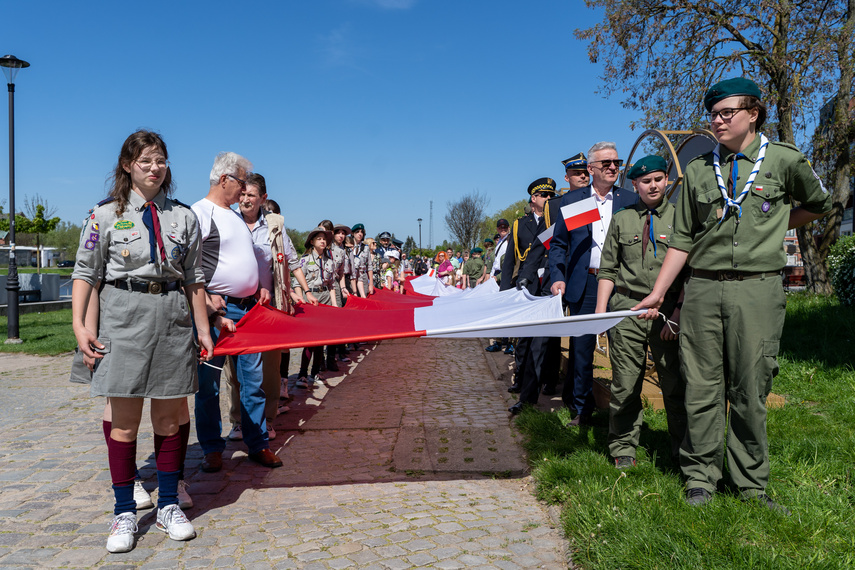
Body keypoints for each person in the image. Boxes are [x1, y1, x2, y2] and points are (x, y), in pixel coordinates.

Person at [633, 78, 831, 509]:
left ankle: (750, 485)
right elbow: (681, 239)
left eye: (727, 113)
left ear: (753, 114)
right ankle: (700, 477)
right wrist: (658, 294)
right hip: (703, 290)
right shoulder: (700, 171)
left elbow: (819, 204)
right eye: (713, 114)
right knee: (701, 387)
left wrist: (778, 224)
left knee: (750, 387)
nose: (717, 121)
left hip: (757, 292)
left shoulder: (784, 160)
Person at [71, 130, 212, 553]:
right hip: (123, 317)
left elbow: (194, 280)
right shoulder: (105, 216)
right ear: (128, 165)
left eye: (161, 160)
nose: (155, 168)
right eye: (146, 160)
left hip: (171, 319)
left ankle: (169, 504)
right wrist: (81, 327)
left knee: (170, 418)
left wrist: (202, 329)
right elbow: (86, 273)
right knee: (125, 421)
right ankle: (123, 512)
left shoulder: (184, 217)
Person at [192, 152, 283, 474]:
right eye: (242, 181)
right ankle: (212, 449)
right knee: (209, 384)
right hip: (216, 310)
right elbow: (190, 266)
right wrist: (209, 299)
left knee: (253, 382)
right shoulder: (200, 214)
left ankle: (258, 443)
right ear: (225, 180)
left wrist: (257, 285)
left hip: (248, 309)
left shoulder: (232, 216)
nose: (244, 189)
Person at [595, 156, 687, 469]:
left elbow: (691, 272)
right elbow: (608, 269)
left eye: (658, 179)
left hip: (666, 314)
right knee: (625, 383)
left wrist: (676, 314)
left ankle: (682, 450)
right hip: (626, 310)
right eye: (645, 181)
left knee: (675, 384)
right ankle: (623, 448)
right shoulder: (622, 219)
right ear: (635, 185)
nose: (653, 186)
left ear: (667, 181)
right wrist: (600, 314)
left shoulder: (680, 217)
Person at [548, 141, 639, 426]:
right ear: (591, 168)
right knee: (582, 351)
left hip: (620, 285)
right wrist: (558, 277)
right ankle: (582, 410)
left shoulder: (629, 200)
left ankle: (624, 413)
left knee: (623, 350)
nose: (613, 167)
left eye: (617, 162)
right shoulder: (574, 202)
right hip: (584, 284)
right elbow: (559, 244)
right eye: (606, 164)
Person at [223, 173, 316, 442]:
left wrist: (304, 291)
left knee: (269, 369)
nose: (245, 200)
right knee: (235, 369)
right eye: (242, 194)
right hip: (236, 305)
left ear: (263, 199)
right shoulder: (229, 222)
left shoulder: (275, 228)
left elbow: (292, 261)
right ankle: (239, 421)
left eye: (251, 195)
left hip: (269, 306)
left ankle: (269, 419)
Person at [502, 178, 556, 413]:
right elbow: (510, 261)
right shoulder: (518, 225)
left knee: (550, 336)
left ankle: (549, 380)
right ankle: (521, 379)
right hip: (528, 282)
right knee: (524, 337)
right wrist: (505, 291)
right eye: (543, 195)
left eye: (550, 195)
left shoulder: (556, 220)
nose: (547, 199)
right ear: (533, 199)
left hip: (551, 281)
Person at [294, 226, 339, 387]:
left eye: (324, 239)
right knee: (310, 339)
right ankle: (302, 374)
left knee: (322, 338)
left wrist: (334, 304)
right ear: (312, 242)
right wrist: (302, 300)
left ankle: (316, 372)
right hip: (310, 299)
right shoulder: (305, 260)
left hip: (325, 298)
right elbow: (296, 282)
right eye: (319, 238)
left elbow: (332, 285)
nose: (322, 241)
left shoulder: (329, 262)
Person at [349, 223, 373, 297]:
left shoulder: (365, 248)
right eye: (357, 232)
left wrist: (371, 284)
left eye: (362, 232)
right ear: (352, 233)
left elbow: (369, 266)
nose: (360, 234)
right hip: (350, 277)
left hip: (362, 276)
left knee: (363, 298)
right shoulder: (348, 246)